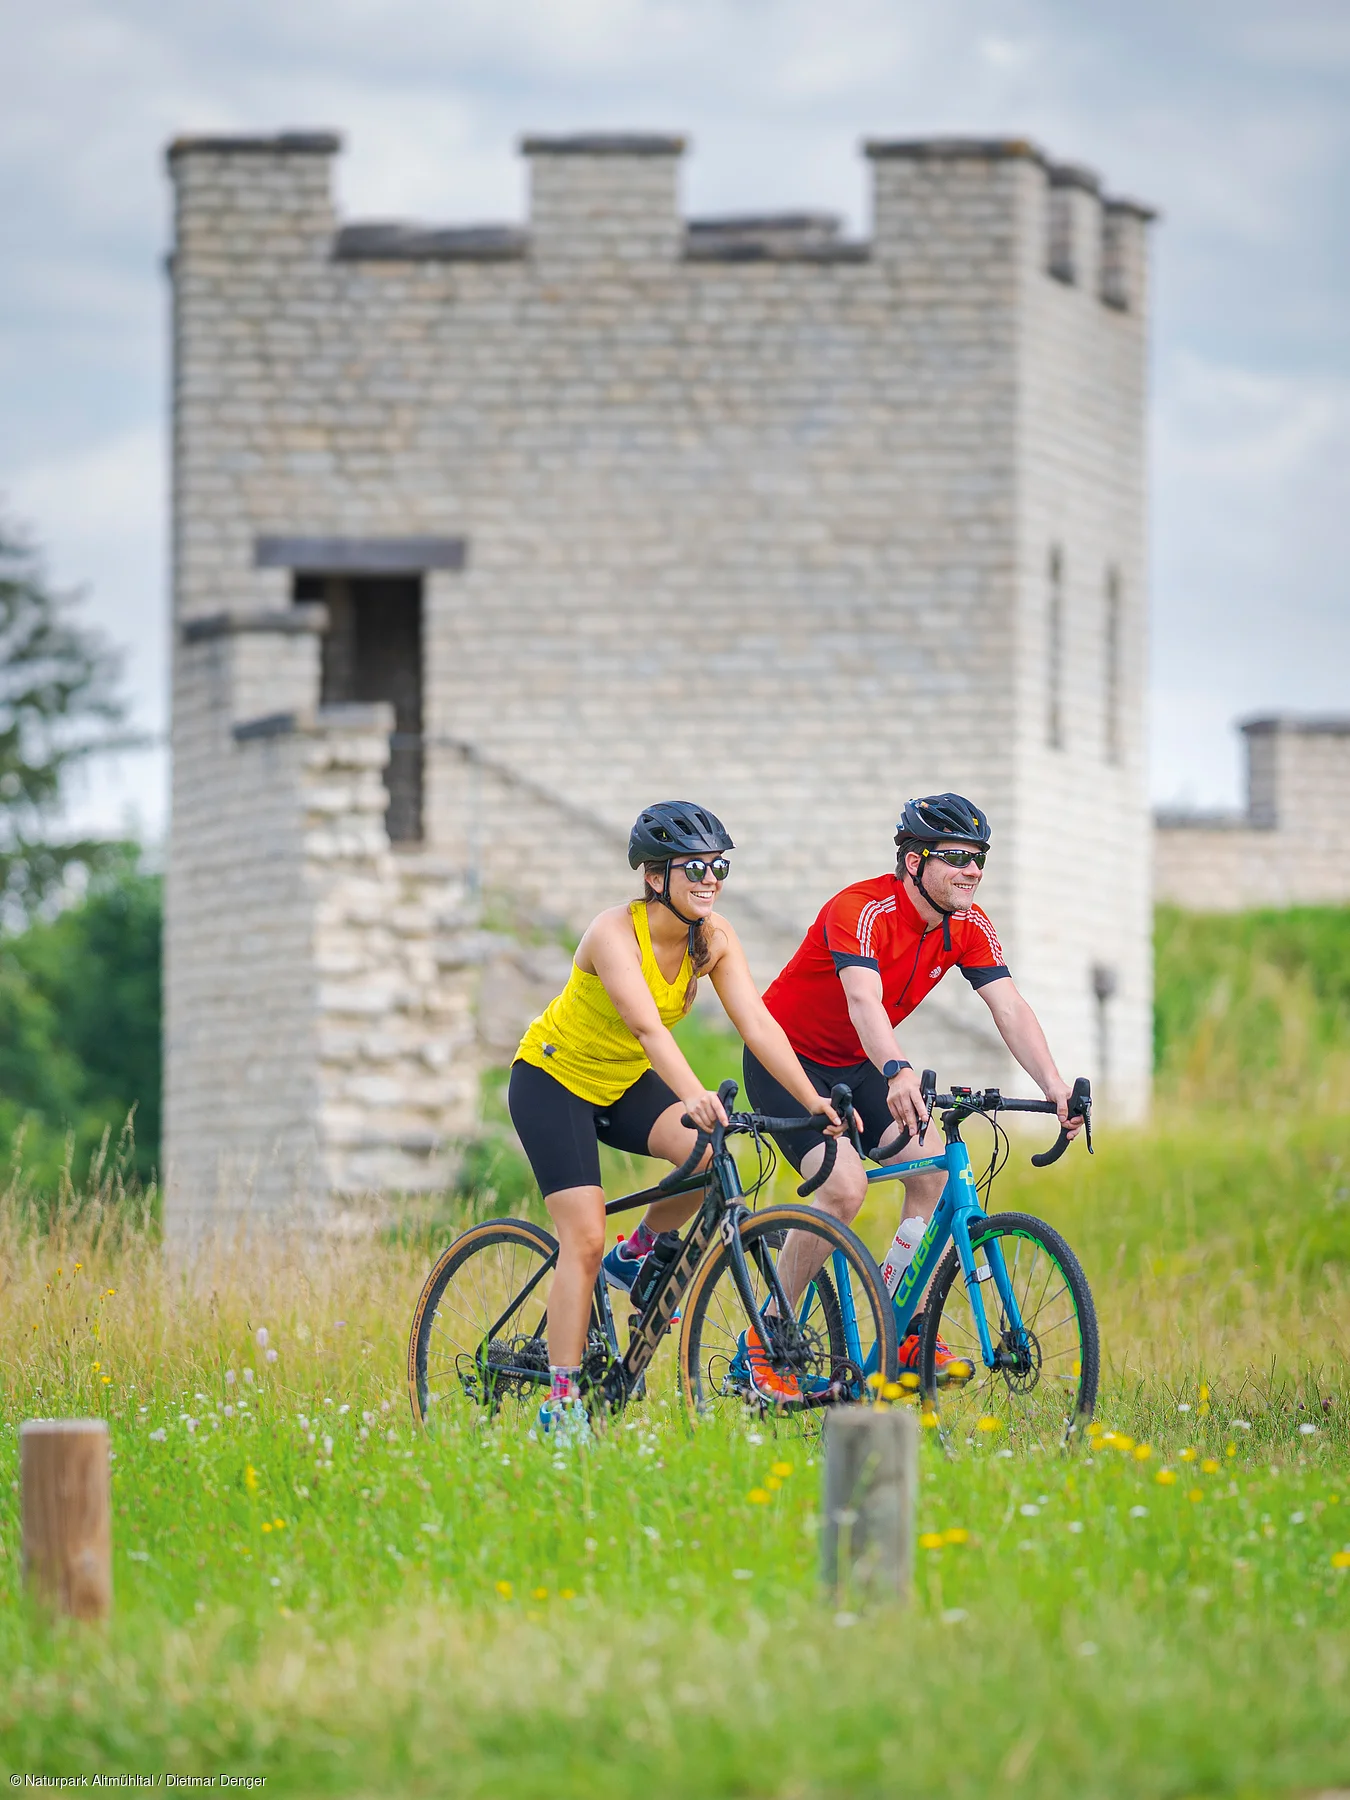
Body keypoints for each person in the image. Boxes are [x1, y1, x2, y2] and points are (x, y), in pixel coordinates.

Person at [508, 801, 841, 1441]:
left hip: (622, 1081)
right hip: (554, 1081)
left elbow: (758, 1024)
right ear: (656, 877)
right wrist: (693, 1095)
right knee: (581, 1240)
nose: (711, 878)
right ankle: (562, 1404)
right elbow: (646, 1027)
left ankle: (635, 1256)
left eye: (719, 866)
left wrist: (810, 1100)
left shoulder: (713, 938)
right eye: (696, 867)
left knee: (706, 1159)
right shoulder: (613, 933)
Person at [736, 792, 1084, 1390]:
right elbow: (863, 1001)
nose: (972, 869)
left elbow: (1010, 1009)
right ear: (914, 861)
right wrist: (898, 1070)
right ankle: (766, 1337)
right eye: (956, 856)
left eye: (979, 857)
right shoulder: (862, 908)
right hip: (786, 1060)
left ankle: (905, 1326)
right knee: (843, 1189)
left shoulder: (969, 926)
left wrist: (1052, 1084)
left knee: (935, 1178)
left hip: (860, 1062)